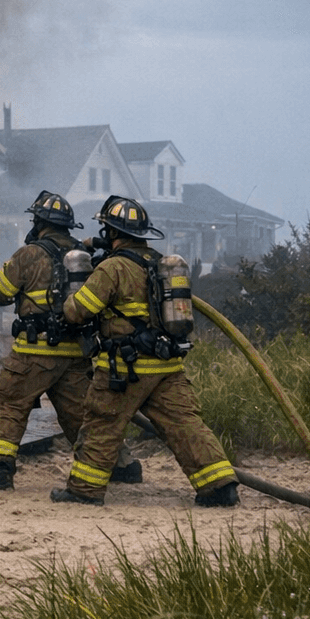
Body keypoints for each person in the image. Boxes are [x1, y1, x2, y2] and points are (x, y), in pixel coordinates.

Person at [51, 195, 238, 507]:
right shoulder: (157, 262)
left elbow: (79, 312)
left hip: (126, 368)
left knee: (102, 424)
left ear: (112, 233)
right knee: (186, 425)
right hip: (166, 366)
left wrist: (72, 294)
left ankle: (83, 490)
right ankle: (220, 487)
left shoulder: (112, 268)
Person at [0, 191, 139, 491]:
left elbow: (0, 293)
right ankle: (121, 466)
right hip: (75, 352)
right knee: (83, 415)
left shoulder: (29, 254)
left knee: (9, 405)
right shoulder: (81, 257)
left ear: (40, 222)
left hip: (34, 353)